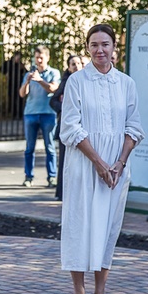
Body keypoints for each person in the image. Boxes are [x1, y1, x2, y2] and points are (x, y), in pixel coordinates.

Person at [60, 25, 143, 294]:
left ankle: (101, 293)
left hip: (116, 169)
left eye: (105, 44)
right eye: (93, 45)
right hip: (85, 164)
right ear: (87, 48)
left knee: (108, 227)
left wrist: (118, 163)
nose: (99, 50)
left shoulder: (126, 83)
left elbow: (134, 126)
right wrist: (97, 162)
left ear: (114, 47)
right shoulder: (77, 81)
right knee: (80, 224)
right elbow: (70, 126)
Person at [20, 45, 61, 187]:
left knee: (49, 147)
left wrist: (39, 80)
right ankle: (28, 177)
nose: (38, 60)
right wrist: (27, 81)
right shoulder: (29, 74)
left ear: (47, 58)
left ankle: (52, 177)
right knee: (29, 147)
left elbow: (53, 89)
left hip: (48, 114)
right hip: (30, 113)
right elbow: (22, 94)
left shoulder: (54, 73)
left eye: (41, 57)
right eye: (36, 57)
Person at [49, 54, 84, 200]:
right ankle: (62, 193)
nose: (76, 66)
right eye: (73, 64)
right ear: (68, 68)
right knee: (65, 161)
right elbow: (53, 101)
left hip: (83, 128)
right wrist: (66, 108)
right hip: (67, 128)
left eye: (78, 63)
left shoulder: (85, 79)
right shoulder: (66, 82)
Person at [1, 51, 27, 119]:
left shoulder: (20, 64)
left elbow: (25, 72)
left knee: (20, 99)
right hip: (11, 83)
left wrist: (23, 68)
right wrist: (6, 73)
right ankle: (13, 114)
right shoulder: (8, 63)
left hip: (19, 83)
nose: (18, 58)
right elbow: (1, 69)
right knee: (12, 99)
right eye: (18, 56)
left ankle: (20, 114)